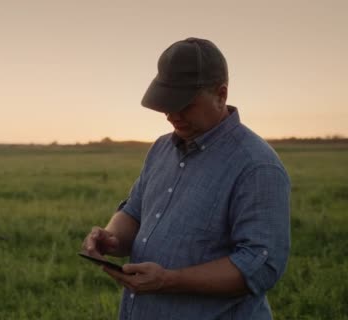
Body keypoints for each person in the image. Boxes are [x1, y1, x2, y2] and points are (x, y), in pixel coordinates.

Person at [81, 37, 291, 319]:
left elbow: (259, 266)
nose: (171, 115)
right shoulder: (161, 148)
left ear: (221, 94)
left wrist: (168, 279)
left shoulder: (257, 167)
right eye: (166, 103)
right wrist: (112, 238)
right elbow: (135, 212)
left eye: (185, 104)